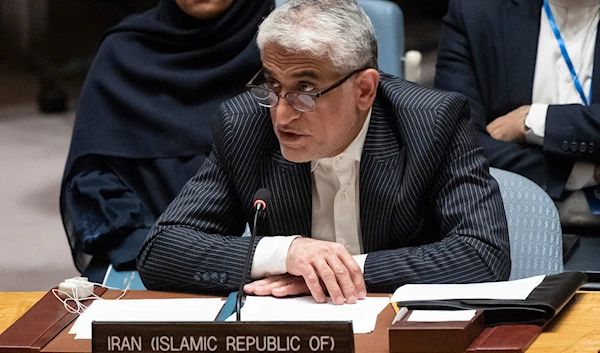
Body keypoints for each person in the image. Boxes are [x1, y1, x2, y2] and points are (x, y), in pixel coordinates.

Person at [137, 0, 511, 304]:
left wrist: (341, 269)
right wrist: (288, 253)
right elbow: (161, 252)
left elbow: (482, 253)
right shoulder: (244, 125)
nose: (281, 114)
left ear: (364, 90)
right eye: (271, 84)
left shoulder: (431, 123)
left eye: (305, 90)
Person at [60, 0, 274, 281]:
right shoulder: (125, 51)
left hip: (276, 257)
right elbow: (92, 178)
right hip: (147, 256)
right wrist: (156, 248)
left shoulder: (285, 50)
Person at [434, 0, 600, 225]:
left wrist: (533, 121)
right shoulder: (475, 12)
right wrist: (583, 172)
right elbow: (458, 144)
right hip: (507, 226)